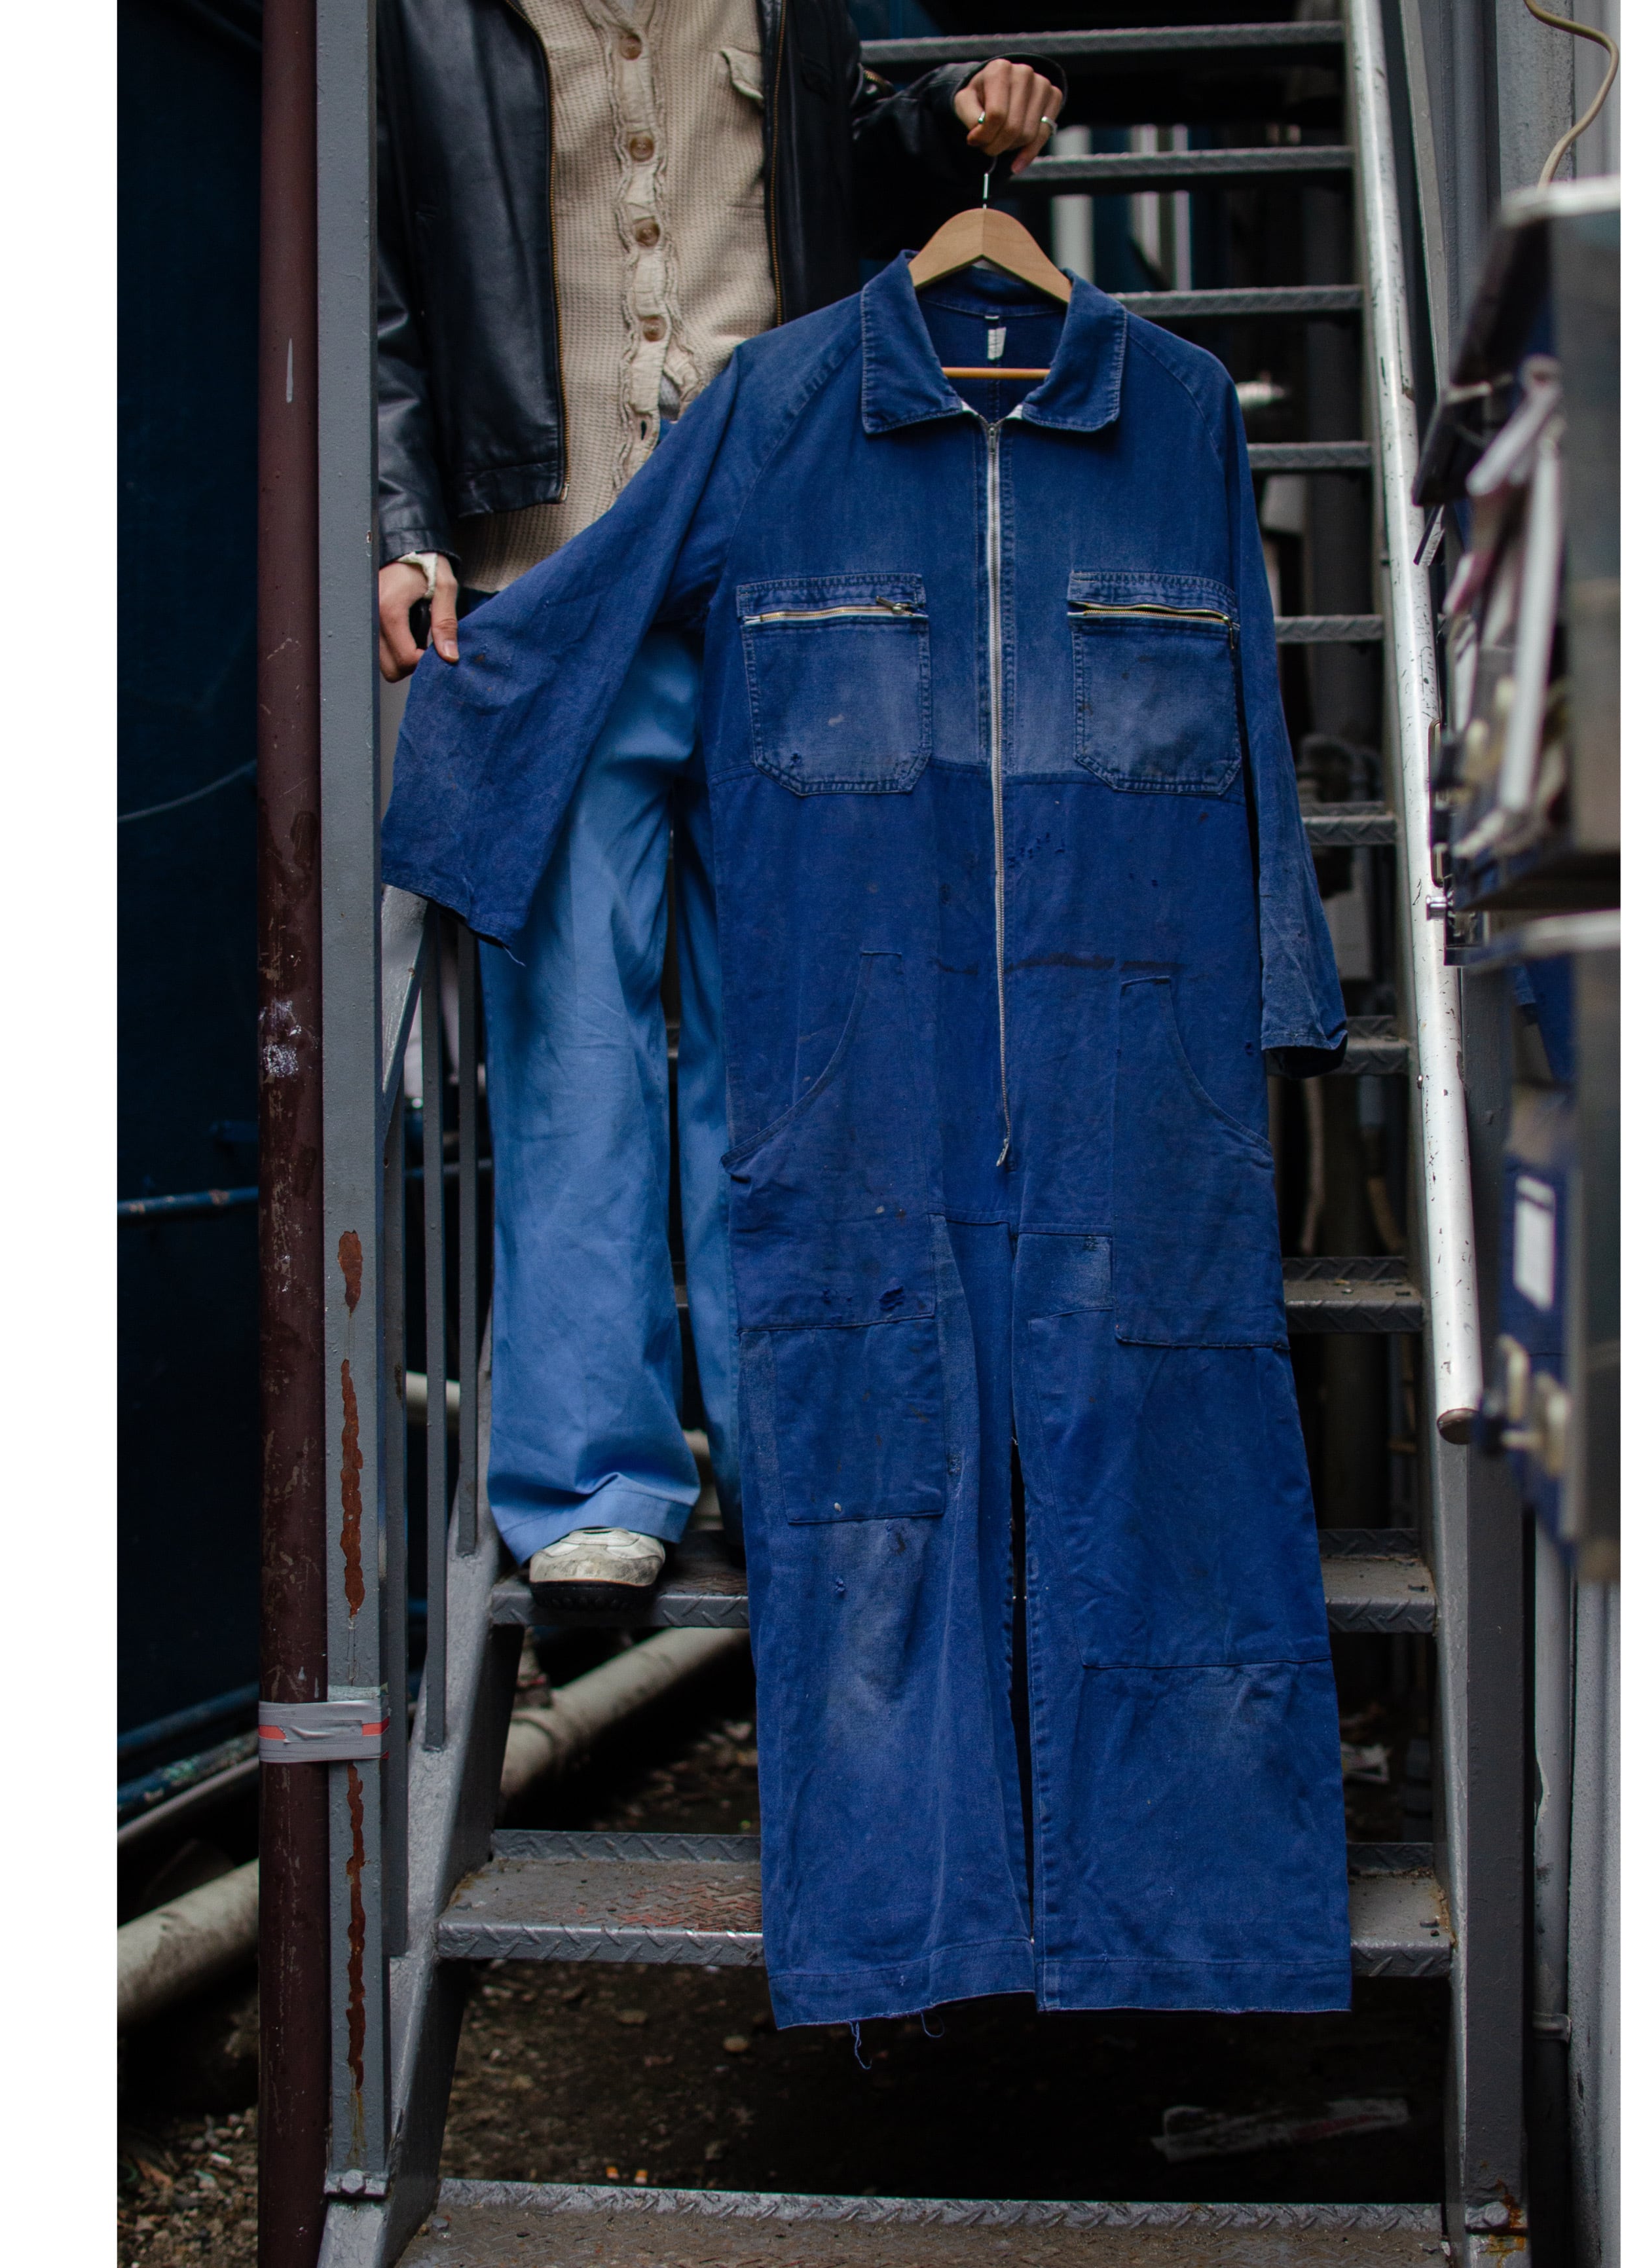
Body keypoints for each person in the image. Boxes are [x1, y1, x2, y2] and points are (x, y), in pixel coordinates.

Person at [375, 0, 1064, 1591]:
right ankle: (591, 1483)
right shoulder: (426, 13)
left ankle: (798, 1453)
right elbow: (384, 284)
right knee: (575, 1042)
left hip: (795, 567)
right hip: (550, 578)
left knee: (794, 1039)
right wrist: (401, 518)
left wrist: (954, 117)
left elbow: (851, 177)